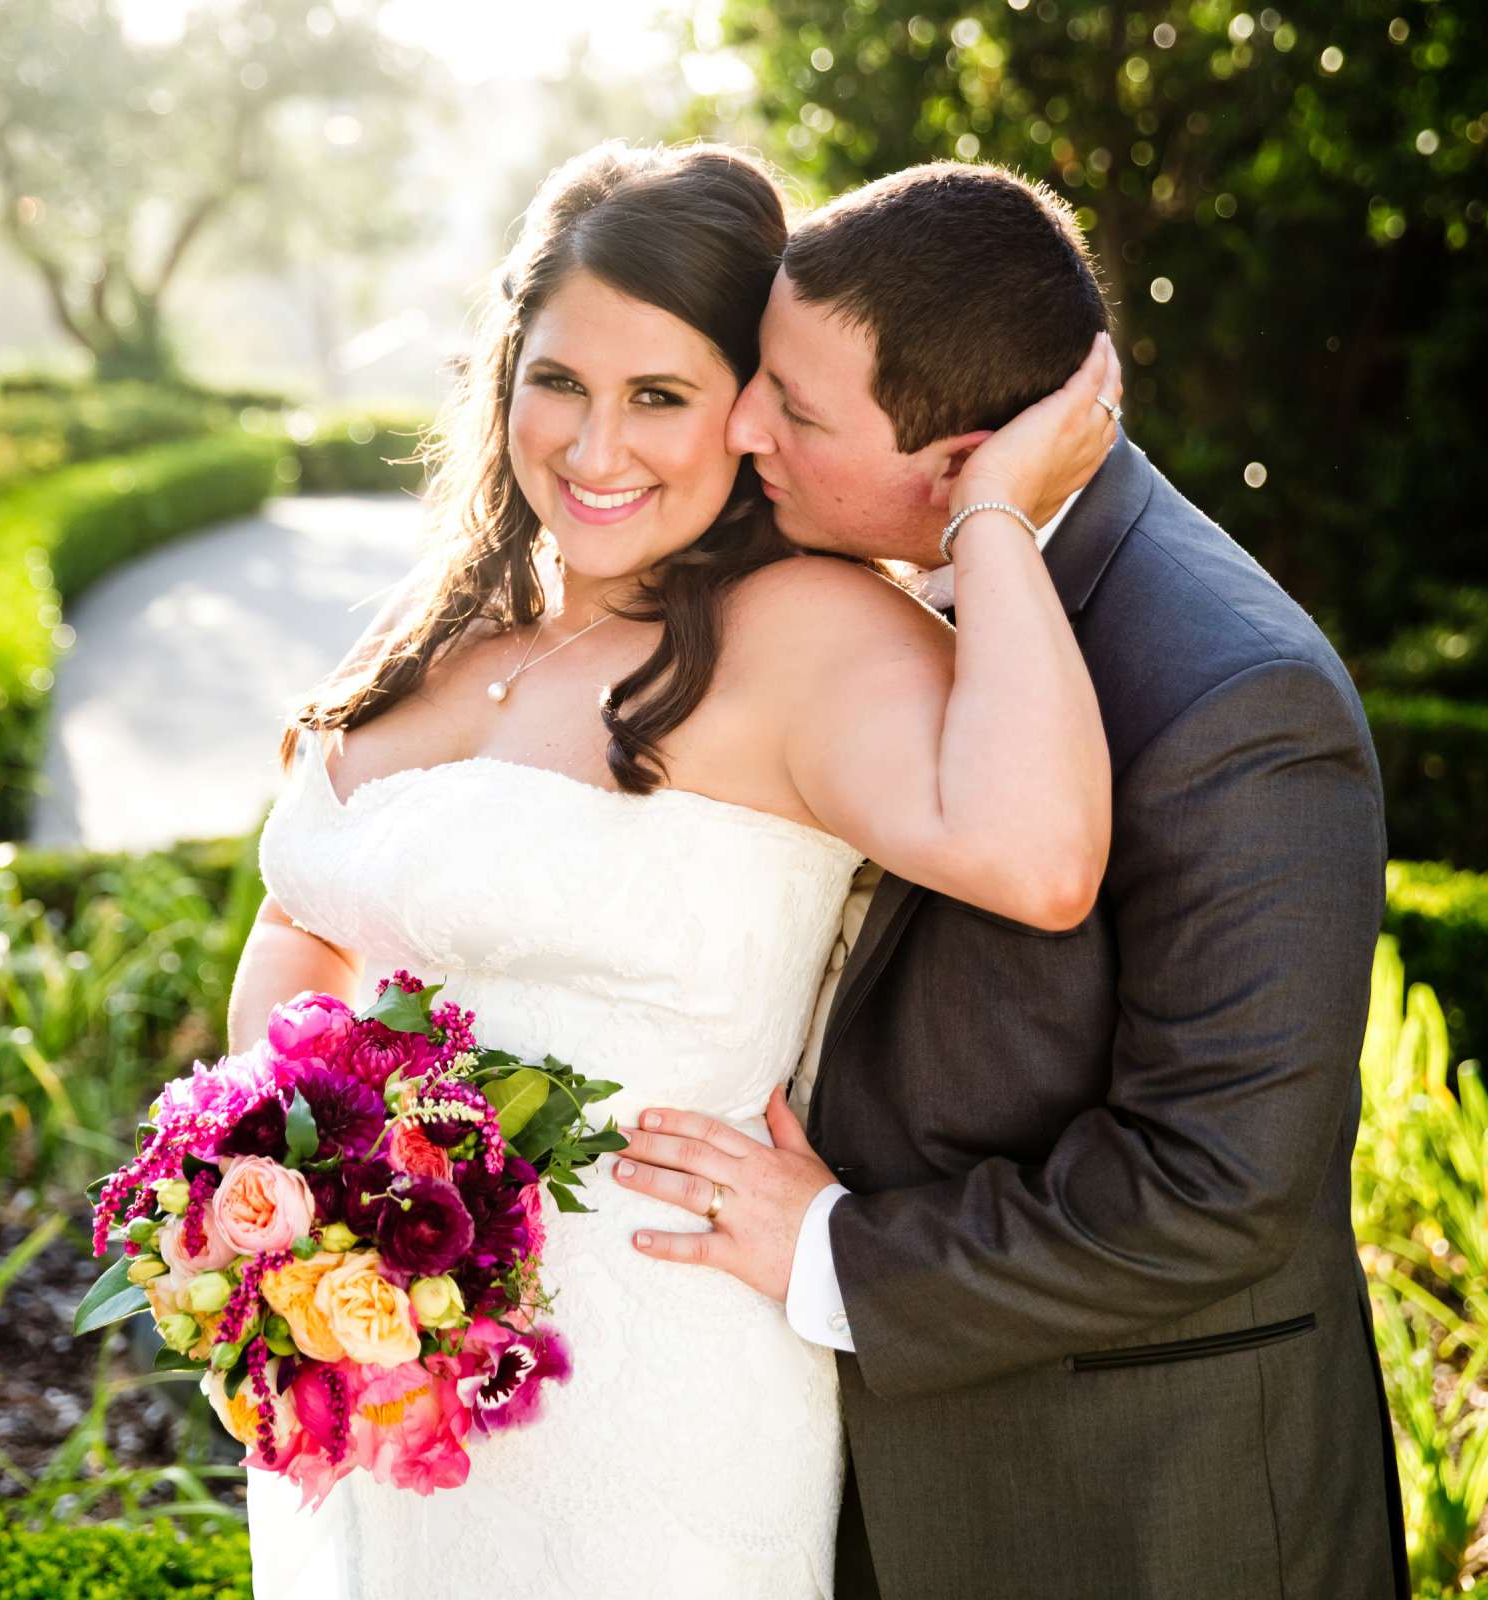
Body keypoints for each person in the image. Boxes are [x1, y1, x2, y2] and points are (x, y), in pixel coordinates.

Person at [223, 141, 1119, 1597]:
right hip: (387, 1375)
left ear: (750, 413)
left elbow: (1042, 859)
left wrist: (996, 510)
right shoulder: (458, 618)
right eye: (560, 382)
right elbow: (306, 919)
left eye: (659, 397)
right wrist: (289, 1184)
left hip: (650, 1407)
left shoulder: (805, 633)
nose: (593, 449)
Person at [616, 162, 1409, 1598]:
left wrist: (839, 1250)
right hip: (838, 1469)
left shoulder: (1235, 700)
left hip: (1133, 1508)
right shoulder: (850, 578)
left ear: (969, 457)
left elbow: (1220, 1186)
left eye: (793, 408)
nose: (743, 428)